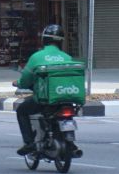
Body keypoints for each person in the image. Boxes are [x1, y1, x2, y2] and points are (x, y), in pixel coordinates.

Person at [14, 24, 75, 157]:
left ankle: (29, 143)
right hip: (66, 98)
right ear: (61, 41)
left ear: (44, 40)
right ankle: (70, 142)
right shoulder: (67, 57)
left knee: (21, 111)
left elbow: (25, 80)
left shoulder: (37, 57)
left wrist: (18, 83)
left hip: (45, 99)